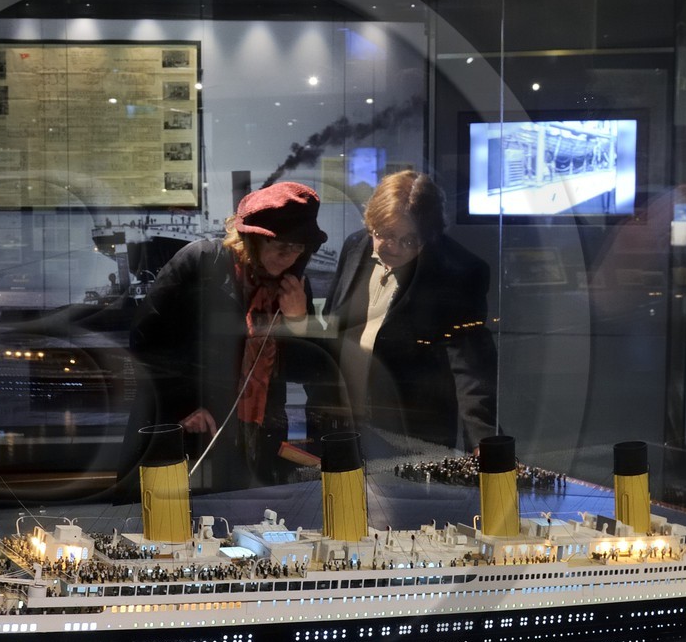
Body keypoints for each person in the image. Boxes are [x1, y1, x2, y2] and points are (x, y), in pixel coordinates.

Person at [125, 181, 326, 491]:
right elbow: (145, 339)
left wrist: (299, 322)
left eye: (298, 247)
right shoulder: (200, 261)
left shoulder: (294, 287)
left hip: (256, 434)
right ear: (252, 239)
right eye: (279, 244)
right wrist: (183, 405)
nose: (288, 255)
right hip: (187, 425)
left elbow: (307, 370)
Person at [315, 170, 497, 453]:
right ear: (371, 223)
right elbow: (333, 322)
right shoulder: (356, 246)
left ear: (429, 236)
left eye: (409, 240)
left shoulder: (459, 272)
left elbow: (470, 365)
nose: (394, 248)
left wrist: (482, 440)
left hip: (412, 433)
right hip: (342, 424)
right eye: (385, 234)